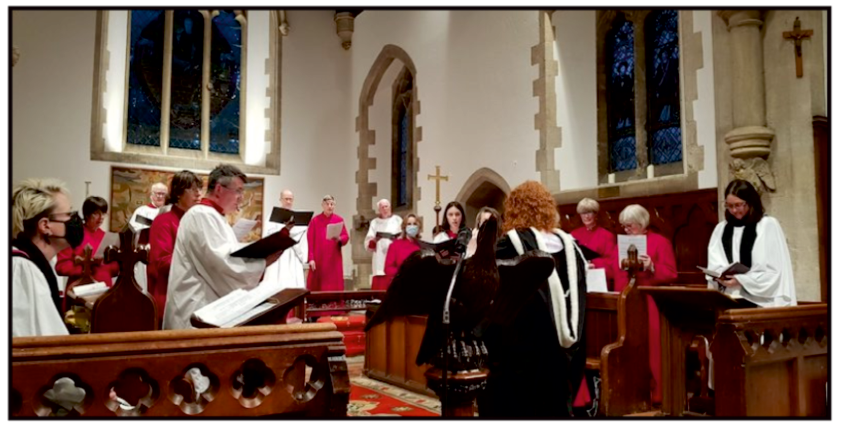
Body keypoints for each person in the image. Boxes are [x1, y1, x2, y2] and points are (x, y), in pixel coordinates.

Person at [478, 181, 588, 418]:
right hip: (563, 348)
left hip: (522, 345)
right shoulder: (572, 247)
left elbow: (486, 287)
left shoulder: (510, 244)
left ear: (514, 209)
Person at [163, 165, 287, 330]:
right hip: (194, 313)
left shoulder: (215, 217)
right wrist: (263, 263)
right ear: (219, 189)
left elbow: (226, 257)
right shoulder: (201, 215)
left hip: (207, 312)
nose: (241, 198)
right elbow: (221, 266)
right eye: (238, 191)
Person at [611, 204, 677, 406]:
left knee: (653, 349)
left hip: (651, 303)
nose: (626, 230)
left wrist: (652, 266)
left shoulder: (660, 242)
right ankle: (630, 392)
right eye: (623, 226)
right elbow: (614, 271)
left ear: (641, 224)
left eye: (630, 226)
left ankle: (657, 395)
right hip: (627, 301)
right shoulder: (621, 244)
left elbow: (671, 273)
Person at [707, 180, 796, 307]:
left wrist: (742, 280)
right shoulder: (721, 229)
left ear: (750, 202)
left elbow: (775, 271)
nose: (734, 210)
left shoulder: (767, 225)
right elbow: (714, 263)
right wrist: (719, 276)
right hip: (729, 297)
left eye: (738, 205)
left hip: (761, 301)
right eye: (729, 206)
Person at [11, 178, 83, 337]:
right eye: (68, 214)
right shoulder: (21, 268)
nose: (76, 221)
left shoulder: (41, 262)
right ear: (45, 225)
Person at [147, 170, 203, 326]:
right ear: (178, 193)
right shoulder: (164, 221)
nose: (198, 194)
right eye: (192, 189)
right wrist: (199, 260)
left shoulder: (198, 221)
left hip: (195, 295)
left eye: (199, 189)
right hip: (170, 295)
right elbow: (162, 262)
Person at [55, 196, 120, 289]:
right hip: (80, 288)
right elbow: (61, 267)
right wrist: (85, 267)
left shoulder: (107, 237)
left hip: (103, 288)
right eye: (96, 213)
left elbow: (114, 269)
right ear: (87, 214)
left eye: (103, 213)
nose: (101, 217)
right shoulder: (74, 235)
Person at [263, 189, 309, 290]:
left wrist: (291, 234)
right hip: (278, 255)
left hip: (293, 255)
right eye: (286, 199)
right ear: (280, 199)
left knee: (293, 286)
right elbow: (267, 235)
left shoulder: (298, 217)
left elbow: (302, 238)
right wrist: (284, 231)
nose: (288, 201)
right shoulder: (272, 216)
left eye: (290, 199)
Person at [129, 182, 167, 293]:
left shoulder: (169, 212)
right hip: (145, 254)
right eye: (157, 193)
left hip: (163, 254)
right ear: (151, 195)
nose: (160, 196)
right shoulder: (141, 211)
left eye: (163, 194)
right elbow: (133, 232)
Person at [306, 195, 350, 292]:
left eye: (332, 204)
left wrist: (340, 239)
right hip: (319, 259)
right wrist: (311, 258)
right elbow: (310, 241)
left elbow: (346, 237)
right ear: (322, 205)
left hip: (334, 260)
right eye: (327, 204)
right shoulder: (315, 221)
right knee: (318, 287)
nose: (330, 206)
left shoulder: (339, 220)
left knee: (333, 286)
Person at [571, 197, 616, 278]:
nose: (586, 216)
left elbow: (611, 262)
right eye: (583, 213)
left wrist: (594, 263)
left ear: (595, 214)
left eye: (589, 212)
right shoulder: (574, 234)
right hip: (579, 276)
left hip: (599, 276)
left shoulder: (607, 235)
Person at [364, 199, 403, 290]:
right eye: (382, 207)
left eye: (386, 206)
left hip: (395, 255)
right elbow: (369, 241)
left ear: (390, 207)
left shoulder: (398, 220)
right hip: (380, 257)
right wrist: (373, 241)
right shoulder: (375, 222)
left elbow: (403, 236)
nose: (385, 209)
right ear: (379, 210)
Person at [381, 213, 423, 289]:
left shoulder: (422, 246)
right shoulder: (395, 245)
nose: (412, 226)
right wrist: (403, 272)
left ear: (419, 227)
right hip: (400, 285)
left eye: (414, 224)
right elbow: (388, 268)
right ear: (404, 227)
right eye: (409, 224)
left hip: (417, 285)